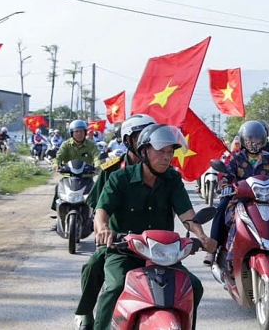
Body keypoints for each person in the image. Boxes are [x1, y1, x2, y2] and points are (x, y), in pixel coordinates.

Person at [91, 124, 217, 330]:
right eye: (160, 151)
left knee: (193, 286)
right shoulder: (119, 178)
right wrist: (103, 229)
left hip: (162, 253)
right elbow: (101, 210)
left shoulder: (173, 179)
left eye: (170, 152)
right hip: (124, 251)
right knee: (115, 287)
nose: (167, 157)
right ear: (144, 152)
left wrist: (202, 236)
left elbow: (187, 214)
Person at [74, 114, 156, 330]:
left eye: (152, 136)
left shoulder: (164, 172)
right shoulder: (112, 170)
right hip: (119, 243)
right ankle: (86, 315)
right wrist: (104, 231)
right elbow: (98, 209)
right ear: (128, 140)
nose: (148, 141)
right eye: (141, 137)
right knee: (93, 267)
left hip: (156, 246)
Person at [205, 121, 269, 270]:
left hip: (266, 199)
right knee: (224, 210)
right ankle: (214, 250)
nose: (254, 143)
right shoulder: (236, 158)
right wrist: (225, 186)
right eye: (250, 139)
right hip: (241, 199)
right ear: (244, 140)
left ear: (263, 140)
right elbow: (226, 175)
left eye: (257, 139)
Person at [51, 120, 101, 211]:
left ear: (85, 132)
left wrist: (97, 166)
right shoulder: (66, 145)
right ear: (72, 133)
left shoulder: (91, 145)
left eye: (81, 131)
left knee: (96, 191)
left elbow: (96, 156)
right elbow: (58, 156)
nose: (79, 134)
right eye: (76, 131)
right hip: (68, 177)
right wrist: (56, 165)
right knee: (58, 187)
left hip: (86, 177)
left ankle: (96, 214)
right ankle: (58, 213)